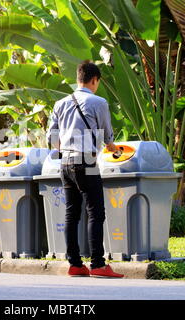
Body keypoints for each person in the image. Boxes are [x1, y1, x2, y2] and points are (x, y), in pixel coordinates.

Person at [46, 60, 124, 278]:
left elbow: (51, 137)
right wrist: (115, 151)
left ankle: (75, 264)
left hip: (65, 164)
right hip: (86, 162)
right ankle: (98, 264)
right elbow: (107, 137)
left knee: (72, 213)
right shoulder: (98, 102)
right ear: (94, 80)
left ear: (78, 78)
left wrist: (68, 148)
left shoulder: (60, 103)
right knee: (95, 212)